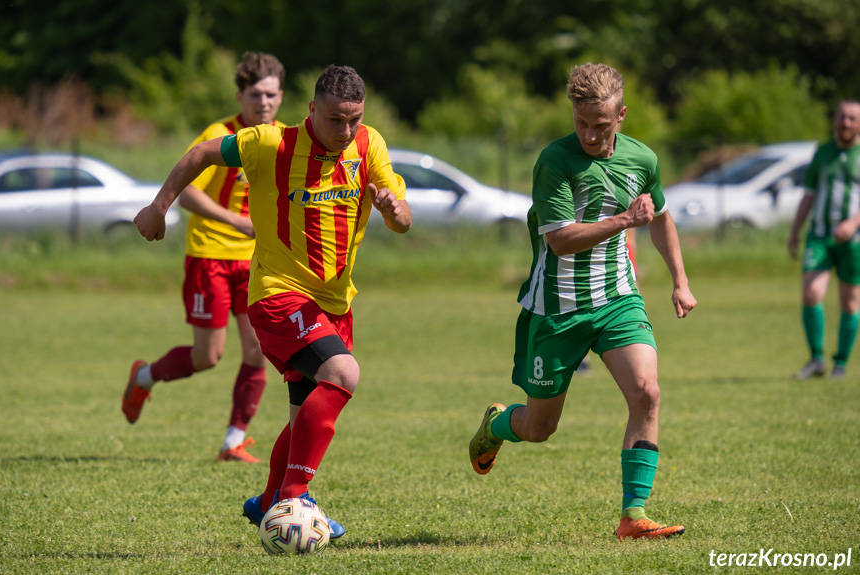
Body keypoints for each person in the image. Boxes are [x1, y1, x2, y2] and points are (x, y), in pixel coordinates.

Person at [133, 64, 411, 540]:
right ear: (311, 110)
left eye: (355, 120)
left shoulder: (370, 145)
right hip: (278, 295)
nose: (346, 131)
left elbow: (403, 220)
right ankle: (292, 496)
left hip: (335, 303)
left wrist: (394, 210)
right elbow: (200, 153)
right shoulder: (269, 142)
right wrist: (159, 206)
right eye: (335, 120)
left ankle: (267, 500)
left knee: (303, 415)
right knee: (343, 374)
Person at [468, 62, 696, 540]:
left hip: (617, 298)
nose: (591, 135)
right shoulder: (555, 160)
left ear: (622, 116)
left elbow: (660, 217)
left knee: (647, 393)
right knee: (539, 428)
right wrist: (622, 221)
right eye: (582, 123)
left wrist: (680, 279)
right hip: (557, 308)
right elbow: (561, 241)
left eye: (601, 125)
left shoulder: (642, 159)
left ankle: (633, 518)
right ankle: (497, 424)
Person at [121, 52, 286, 464]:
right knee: (207, 357)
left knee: (257, 350)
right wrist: (235, 220)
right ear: (240, 95)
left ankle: (233, 441)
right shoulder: (220, 133)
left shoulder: (286, 137)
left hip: (257, 262)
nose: (263, 102)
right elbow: (188, 190)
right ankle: (144, 376)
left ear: (281, 96)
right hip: (209, 256)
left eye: (270, 94)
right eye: (255, 94)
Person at [788, 99, 860, 380]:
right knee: (811, 293)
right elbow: (809, 193)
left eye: (852, 118)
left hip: (854, 240)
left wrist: (853, 223)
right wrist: (795, 231)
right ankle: (817, 359)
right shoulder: (822, 153)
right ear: (834, 119)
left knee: (850, 301)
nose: (845, 123)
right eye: (842, 117)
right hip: (819, 236)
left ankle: (840, 363)